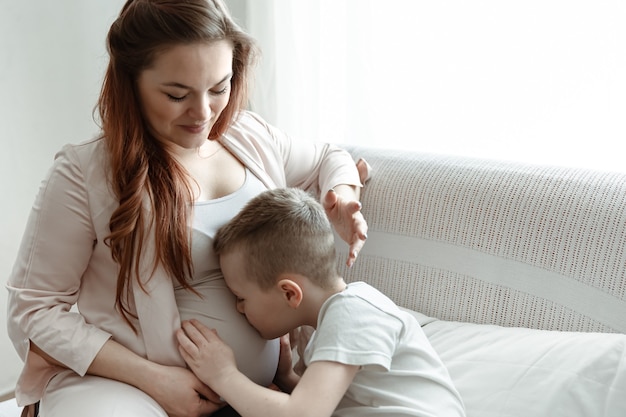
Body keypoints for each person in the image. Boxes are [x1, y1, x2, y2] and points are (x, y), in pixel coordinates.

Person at [5, 1, 368, 416]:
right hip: (124, 385)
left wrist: (341, 196)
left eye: (219, 87)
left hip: (247, 391)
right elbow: (32, 309)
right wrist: (153, 378)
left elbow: (327, 157)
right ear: (131, 83)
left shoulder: (248, 136)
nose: (203, 113)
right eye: (177, 94)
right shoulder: (83, 173)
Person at [176, 188, 466, 417]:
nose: (238, 308)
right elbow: (331, 403)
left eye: (241, 297)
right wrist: (288, 377)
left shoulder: (353, 311)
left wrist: (223, 374)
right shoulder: (334, 321)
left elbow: (302, 414)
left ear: (289, 293)